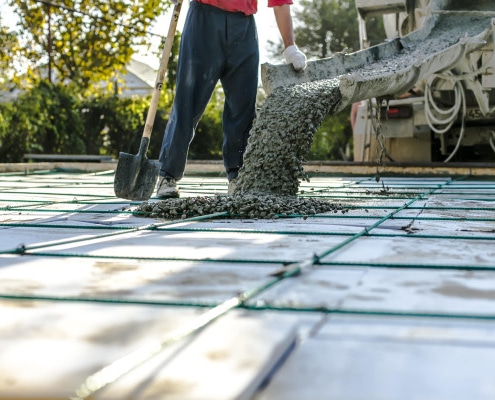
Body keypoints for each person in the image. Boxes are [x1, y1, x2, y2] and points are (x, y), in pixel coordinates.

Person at [156, 0, 307, 198]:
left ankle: (238, 177)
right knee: (188, 101)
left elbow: (279, 1)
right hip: (203, 21)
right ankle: (167, 176)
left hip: (243, 26)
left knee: (243, 106)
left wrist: (290, 46)